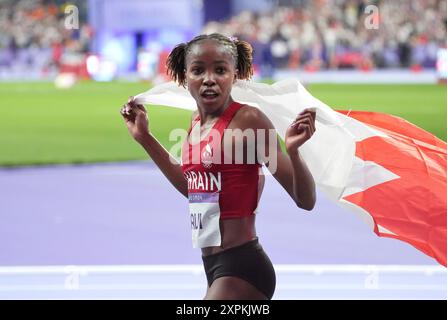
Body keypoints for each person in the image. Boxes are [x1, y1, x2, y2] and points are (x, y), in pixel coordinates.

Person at [120, 33, 316, 300]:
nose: (209, 78)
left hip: (243, 267)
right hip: (214, 267)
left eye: (220, 70)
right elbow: (194, 190)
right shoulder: (196, 123)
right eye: (198, 70)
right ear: (184, 76)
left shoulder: (248, 120)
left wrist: (293, 151)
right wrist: (145, 138)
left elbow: (305, 200)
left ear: (235, 75)